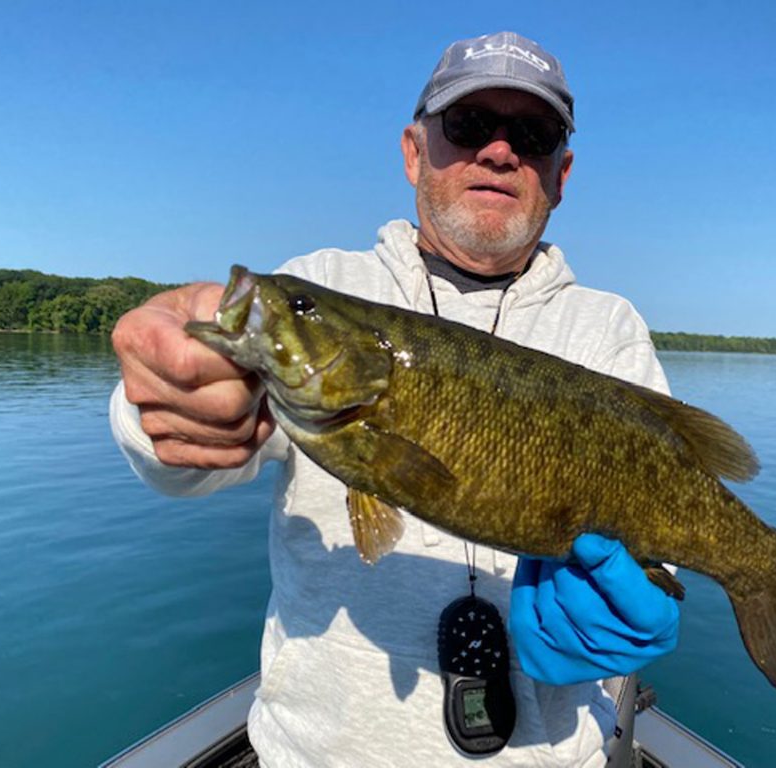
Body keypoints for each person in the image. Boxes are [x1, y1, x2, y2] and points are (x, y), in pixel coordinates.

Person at [111, 31, 679, 767]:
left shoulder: (609, 330)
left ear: (561, 173)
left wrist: (639, 611)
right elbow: (184, 463)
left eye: (532, 135)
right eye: (469, 126)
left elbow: (664, 529)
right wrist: (158, 408)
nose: (500, 152)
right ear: (414, 151)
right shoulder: (325, 286)